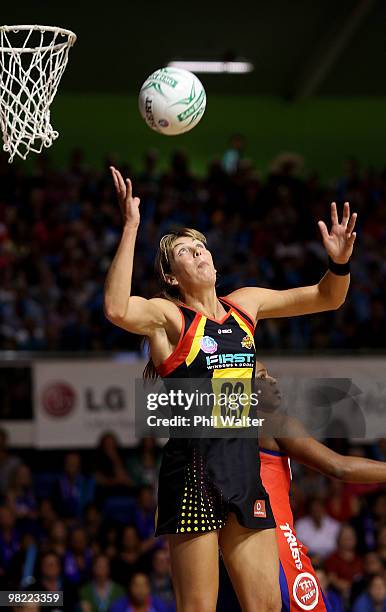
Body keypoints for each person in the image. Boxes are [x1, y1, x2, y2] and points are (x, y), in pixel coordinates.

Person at [104, 166, 356, 612]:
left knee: (266, 607)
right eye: (185, 251)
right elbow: (117, 309)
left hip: (244, 470)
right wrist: (130, 227)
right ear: (172, 277)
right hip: (193, 474)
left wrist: (338, 263)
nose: (199, 252)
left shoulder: (246, 304)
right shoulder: (169, 317)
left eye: (201, 245)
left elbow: (328, 298)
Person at [255, 363, 386, 611]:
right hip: (276, 542)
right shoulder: (275, 424)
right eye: (262, 376)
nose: (273, 380)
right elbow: (339, 467)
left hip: (232, 548)